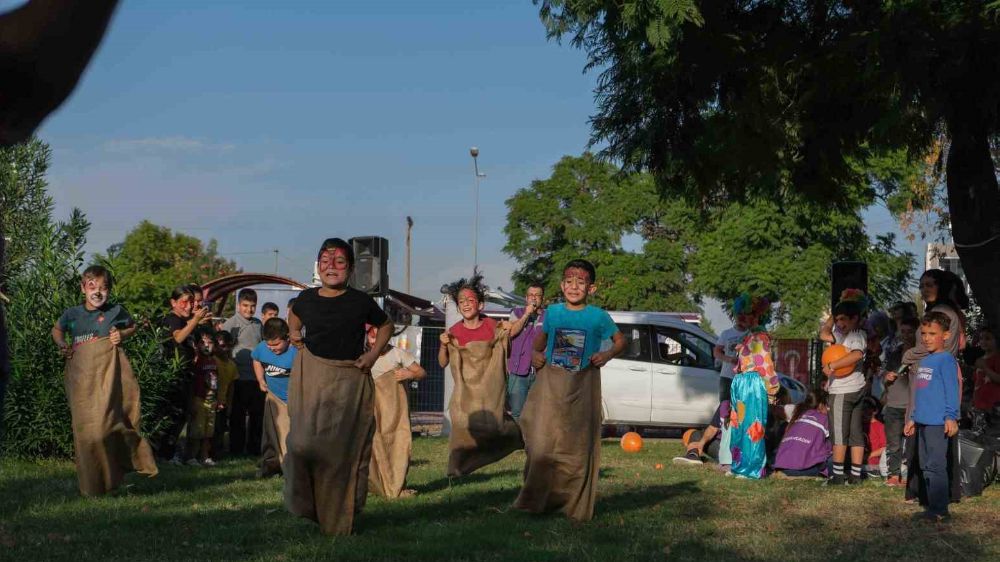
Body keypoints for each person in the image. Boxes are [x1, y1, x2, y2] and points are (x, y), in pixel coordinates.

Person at [284, 237, 393, 535]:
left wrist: (372, 355)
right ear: (318, 266)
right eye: (326, 262)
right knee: (300, 444)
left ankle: (339, 516)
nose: (331, 267)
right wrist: (294, 333)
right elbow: (293, 314)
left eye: (340, 262)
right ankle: (309, 506)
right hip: (313, 375)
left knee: (340, 452)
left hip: (349, 380)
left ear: (351, 268)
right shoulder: (306, 298)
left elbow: (386, 325)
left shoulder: (360, 301)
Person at [515, 259, 625, 521]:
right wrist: (534, 355)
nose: (574, 286)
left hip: (582, 386)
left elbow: (621, 341)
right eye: (569, 281)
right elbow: (539, 344)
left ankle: (572, 504)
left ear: (592, 288)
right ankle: (535, 500)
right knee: (541, 443)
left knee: (576, 446)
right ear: (562, 285)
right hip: (551, 386)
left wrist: (607, 354)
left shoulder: (598, 316)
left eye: (581, 281)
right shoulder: (552, 313)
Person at [51, 265, 157, 494]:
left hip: (107, 377)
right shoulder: (72, 315)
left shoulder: (115, 311)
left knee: (104, 428)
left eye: (104, 288)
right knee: (85, 434)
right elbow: (57, 331)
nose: (98, 292)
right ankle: (92, 486)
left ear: (109, 291)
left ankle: (118, 472)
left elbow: (132, 326)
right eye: (92, 287)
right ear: (83, 288)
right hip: (81, 379)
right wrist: (62, 345)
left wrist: (122, 334)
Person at [892, 270, 969, 505]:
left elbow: (938, 347)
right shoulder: (935, 312)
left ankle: (936, 501)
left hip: (935, 383)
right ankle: (924, 493)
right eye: (922, 285)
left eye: (930, 285)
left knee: (935, 449)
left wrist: (908, 355)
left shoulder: (944, 314)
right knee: (924, 448)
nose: (924, 289)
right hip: (923, 381)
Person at [438, 272, 522, 476]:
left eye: (470, 300)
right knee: (461, 429)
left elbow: (505, 352)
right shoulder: (454, 331)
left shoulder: (492, 326)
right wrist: (443, 345)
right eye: (461, 301)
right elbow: (442, 363)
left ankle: (519, 438)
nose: (466, 304)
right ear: (458, 307)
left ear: (481, 305)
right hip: (465, 392)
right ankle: (456, 470)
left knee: (495, 428)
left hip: (488, 391)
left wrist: (507, 333)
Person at [904, 311, 960, 522]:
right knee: (926, 465)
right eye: (924, 333)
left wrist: (951, 416)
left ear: (945, 335)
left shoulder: (946, 360)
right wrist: (913, 418)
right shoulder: (926, 360)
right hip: (923, 422)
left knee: (936, 465)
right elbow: (922, 393)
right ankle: (931, 506)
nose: (926, 338)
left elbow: (951, 390)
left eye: (932, 333)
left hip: (938, 423)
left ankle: (940, 510)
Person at [366, 325, 426, 498]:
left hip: (396, 411)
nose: (376, 341)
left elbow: (421, 372)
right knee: (375, 446)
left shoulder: (398, 354)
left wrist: (409, 374)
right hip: (373, 411)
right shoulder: (365, 357)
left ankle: (398, 486)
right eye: (372, 337)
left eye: (380, 337)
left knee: (398, 444)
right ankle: (380, 486)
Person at [819, 289, 869, 485]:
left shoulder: (856, 335)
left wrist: (832, 366)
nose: (839, 324)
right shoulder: (840, 335)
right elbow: (824, 332)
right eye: (837, 320)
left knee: (839, 433)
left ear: (855, 318)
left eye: (843, 319)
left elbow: (856, 354)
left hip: (844, 390)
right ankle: (855, 476)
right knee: (855, 432)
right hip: (854, 389)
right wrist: (837, 309)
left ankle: (837, 476)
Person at [728, 293, 777, 479]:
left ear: (758, 315)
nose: (742, 318)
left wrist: (772, 388)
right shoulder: (750, 336)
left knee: (752, 426)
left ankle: (752, 469)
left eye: (747, 314)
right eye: (741, 313)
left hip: (752, 385)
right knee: (739, 425)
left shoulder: (759, 338)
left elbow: (764, 364)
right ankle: (739, 465)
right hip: (743, 384)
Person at [160, 284, 210, 462]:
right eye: (184, 302)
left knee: (182, 415)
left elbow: (194, 346)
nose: (189, 306)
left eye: (192, 302)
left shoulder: (189, 322)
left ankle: (172, 452)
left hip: (187, 375)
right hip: (172, 375)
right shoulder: (172, 319)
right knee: (171, 416)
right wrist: (195, 321)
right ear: (173, 302)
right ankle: (164, 453)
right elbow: (178, 337)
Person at [252, 317, 297, 478]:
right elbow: (256, 360)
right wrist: (260, 379)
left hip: (293, 400)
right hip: (272, 398)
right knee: (270, 433)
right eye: (269, 345)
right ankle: (270, 464)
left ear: (287, 338)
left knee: (289, 435)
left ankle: (290, 467)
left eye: (276, 344)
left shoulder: (296, 352)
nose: (272, 349)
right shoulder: (262, 348)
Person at [223, 288, 263, 456]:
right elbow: (224, 348)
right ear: (238, 305)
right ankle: (236, 449)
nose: (249, 309)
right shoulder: (231, 324)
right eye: (245, 305)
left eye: (252, 306)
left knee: (257, 416)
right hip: (238, 378)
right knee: (237, 417)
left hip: (256, 378)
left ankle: (254, 449)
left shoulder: (258, 324)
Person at [882, 316, 919, 487]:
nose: (905, 335)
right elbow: (884, 377)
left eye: (910, 332)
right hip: (894, 404)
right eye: (902, 331)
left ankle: (912, 476)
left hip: (913, 406)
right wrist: (886, 377)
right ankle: (893, 474)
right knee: (894, 443)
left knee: (912, 445)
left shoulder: (921, 355)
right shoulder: (894, 353)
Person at [506, 284, 545, 420]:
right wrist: (526, 314)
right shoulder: (516, 312)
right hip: (518, 372)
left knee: (538, 413)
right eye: (531, 295)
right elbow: (510, 333)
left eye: (537, 295)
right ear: (526, 298)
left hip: (541, 373)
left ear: (542, 298)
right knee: (517, 413)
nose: (533, 298)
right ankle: (516, 441)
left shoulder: (548, 316)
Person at [186, 330, 224, 466]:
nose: (206, 346)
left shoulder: (213, 361)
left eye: (210, 342)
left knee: (208, 431)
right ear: (197, 345)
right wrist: (192, 402)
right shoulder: (196, 361)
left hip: (211, 400)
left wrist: (218, 398)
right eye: (202, 343)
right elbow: (192, 383)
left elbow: (216, 380)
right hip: (199, 399)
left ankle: (204, 456)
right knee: (197, 430)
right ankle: (191, 456)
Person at [773, 389, 831, 477]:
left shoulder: (798, 413)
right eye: (828, 406)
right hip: (801, 468)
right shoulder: (825, 419)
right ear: (821, 405)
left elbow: (777, 409)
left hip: (780, 464)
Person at [673, 400, 731, 467]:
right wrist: (701, 444)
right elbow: (712, 428)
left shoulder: (728, 404)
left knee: (697, 435)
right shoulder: (725, 404)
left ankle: (693, 454)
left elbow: (713, 429)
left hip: (734, 451)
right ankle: (693, 455)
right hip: (722, 447)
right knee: (695, 434)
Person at [211, 330, 239, 460]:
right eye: (218, 346)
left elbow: (231, 386)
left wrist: (229, 403)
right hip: (210, 401)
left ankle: (217, 452)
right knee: (208, 430)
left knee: (220, 428)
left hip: (223, 402)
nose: (222, 349)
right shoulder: (212, 361)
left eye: (224, 346)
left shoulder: (232, 365)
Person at [715, 312, 750, 402]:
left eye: (744, 314)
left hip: (745, 377)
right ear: (733, 316)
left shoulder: (752, 334)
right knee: (724, 408)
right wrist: (729, 359)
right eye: (738, 314)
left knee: (742, 408)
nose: (741, 317)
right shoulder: (726, 333)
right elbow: (716, 352)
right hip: (727, 377)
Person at [972, 327, 1000, 422]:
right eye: (981, 338)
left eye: (987, 338)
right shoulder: (980, 360)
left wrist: (985, 368)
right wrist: (973, 403)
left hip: (994, 407)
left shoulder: (997, 358)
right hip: (979, 406)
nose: (983, 341)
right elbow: (976, 384)